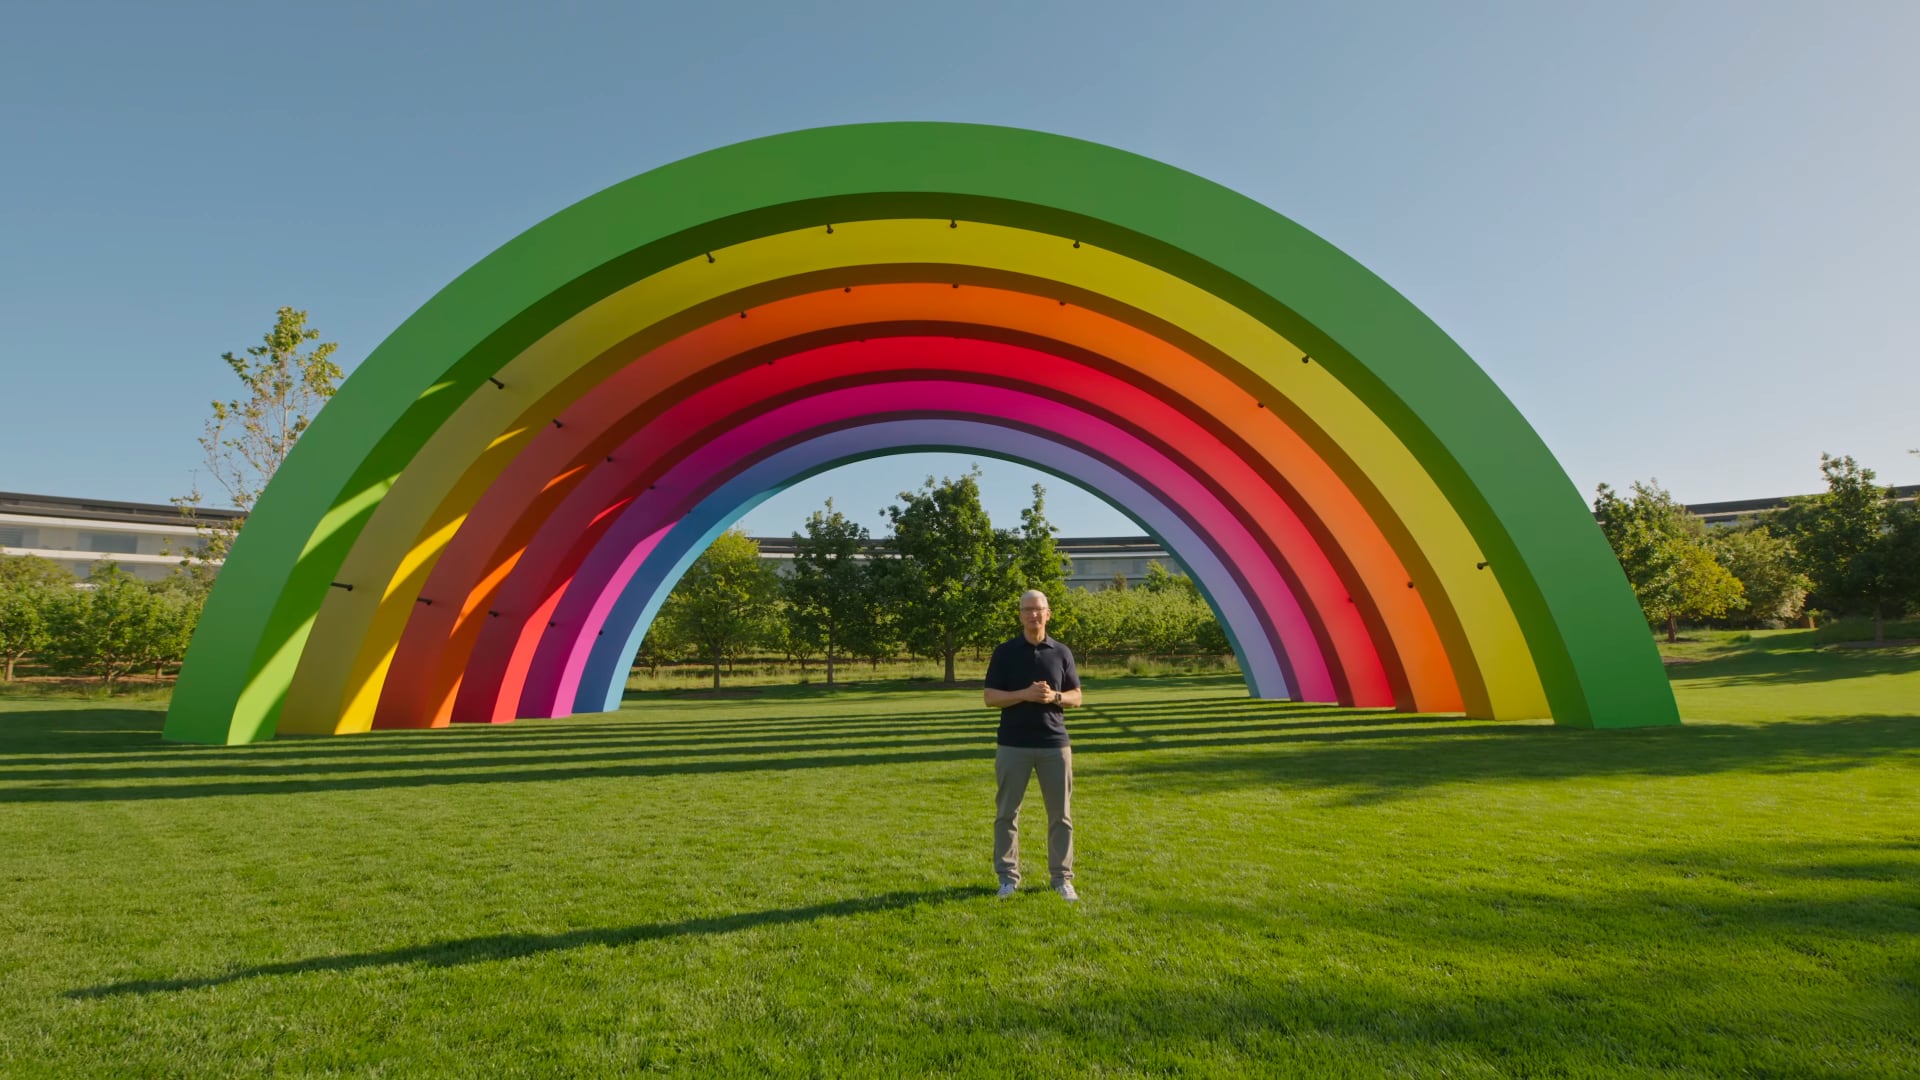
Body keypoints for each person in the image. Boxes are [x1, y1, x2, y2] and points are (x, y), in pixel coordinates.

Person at [982, 589, 1082, 901]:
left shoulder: (1061, 652)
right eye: (1027, 610)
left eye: (1038, 610)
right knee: (1006, 815)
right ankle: (1008, 879)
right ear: (1021, 615)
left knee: (1061, 816)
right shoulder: (1005, 652)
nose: (1033, 615)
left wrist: (1054, 697)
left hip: (1054, 744)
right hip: (1013, 745)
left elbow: (1077, 697)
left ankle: (1062, 879)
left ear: (1048, 614)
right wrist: (1024, 694)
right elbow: (990, 697)